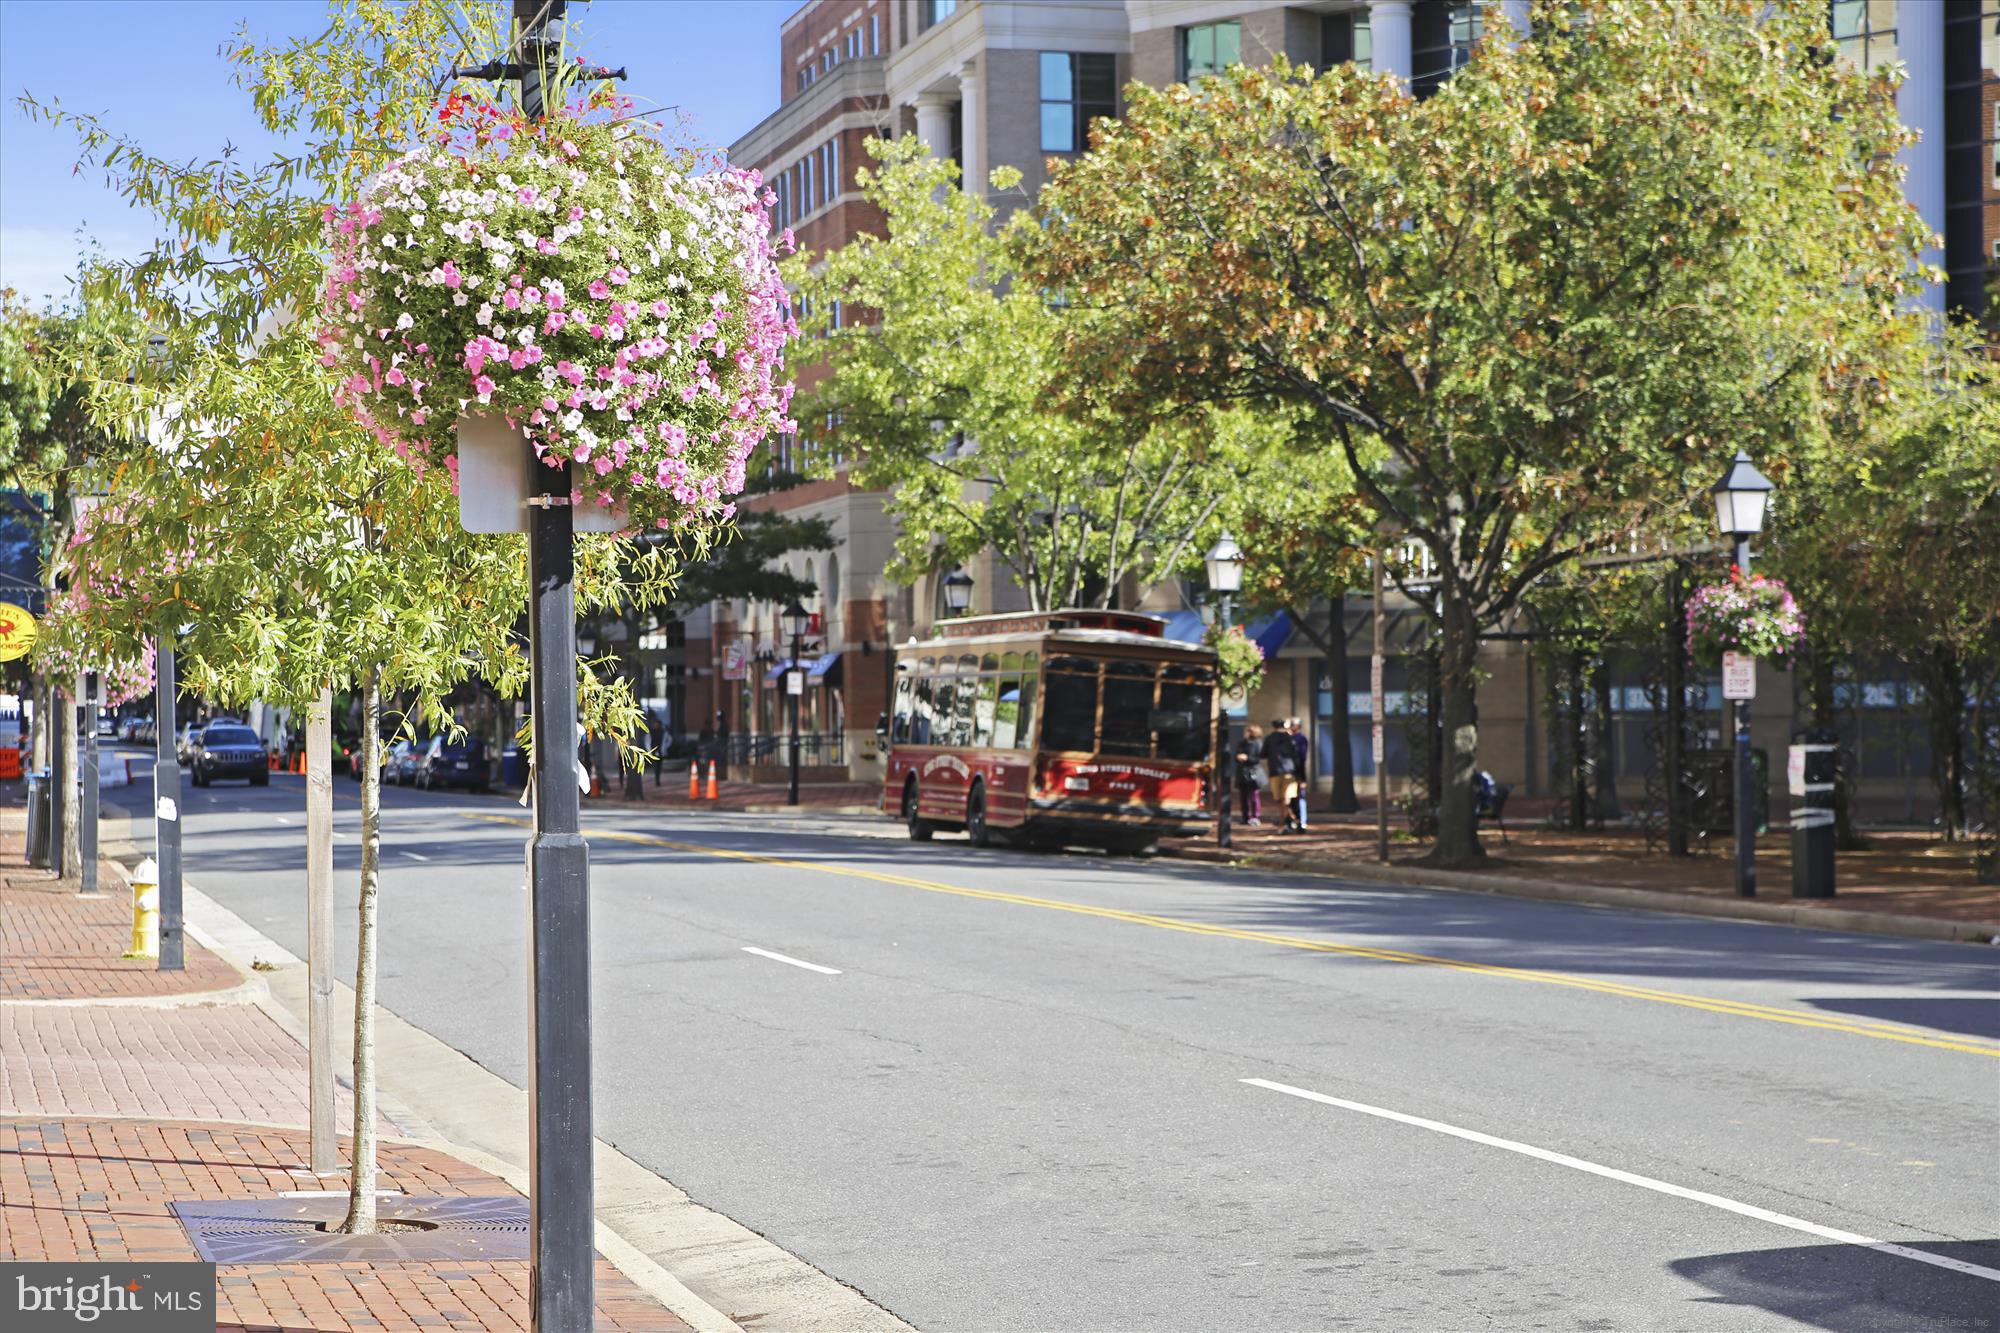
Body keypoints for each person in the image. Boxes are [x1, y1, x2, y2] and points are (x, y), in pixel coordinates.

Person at [1262, 719, 1299, 833]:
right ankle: (1292, 819)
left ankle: (1284, 824)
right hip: (1289, 771)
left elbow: (1263, 754)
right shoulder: (1290, 738)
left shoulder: (1269, 738)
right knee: (1286, 799)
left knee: (1280, 800)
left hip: (1275, 771)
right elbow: (1296, 753)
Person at [1234, 724, 1266, 827]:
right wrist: (1238, 757)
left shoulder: (1258, 744)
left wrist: (1247, 758)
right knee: (1243, 796)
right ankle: (1245, 817)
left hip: (1253, 773)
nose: (1246, 733)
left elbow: (1258, 759)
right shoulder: (1242, 743)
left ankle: (1255, 816)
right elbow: (1236, 755)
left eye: (1248, 732)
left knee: (1254, 796)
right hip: (1242, 773)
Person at [1288, 718, 1311, 831]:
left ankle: (1302, 820)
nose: (1291, 727)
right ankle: (1292, 819)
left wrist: (1302, 778)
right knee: (1290, 798)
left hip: (1297, 773)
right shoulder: (1287, 738)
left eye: (1293, 725)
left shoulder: (1301, 739)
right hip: (1288, 772)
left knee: (1300, 797)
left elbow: (1302, 758)